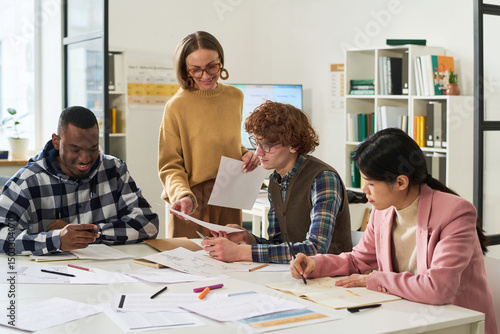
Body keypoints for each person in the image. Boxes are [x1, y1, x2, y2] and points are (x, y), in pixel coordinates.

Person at [290, 128, 497, 334]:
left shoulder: (455, 213)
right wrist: (315, 264)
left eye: (370, 183)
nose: (364, 190)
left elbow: (438, 289)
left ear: (401, 182)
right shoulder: (383, 211)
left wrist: (375, 279)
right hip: (407, 316)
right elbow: (358, 261)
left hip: (456, 323)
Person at [201, 101, 352, 264]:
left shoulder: (323, 179)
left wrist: (241, 251)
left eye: (267, 145)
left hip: (332, 277)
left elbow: (315, 249)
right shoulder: (275, 180)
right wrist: (248, 238)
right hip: (297, 275)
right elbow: (279, 244)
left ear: (295, 145)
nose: (258, 152)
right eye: (257, 143)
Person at [0, 106, 159, 255]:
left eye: (93, 148)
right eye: (75, 149)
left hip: (109, 274)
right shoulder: (27, 181)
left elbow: (148, 224)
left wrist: (88, 234)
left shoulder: (115, 169)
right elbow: (2, 235)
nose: (85, 158)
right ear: (56, 141)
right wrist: (57, 240)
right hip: (50, 280)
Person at [158, 31, 259, 238]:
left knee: (231, 265)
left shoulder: (234, 97)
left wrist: (245, 153)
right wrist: (182, 195)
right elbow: (170, 165)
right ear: (185, 70)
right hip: (192, 202)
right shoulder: (176, 106)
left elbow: (223, 141)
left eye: (212, 66)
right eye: (196, 70)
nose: (206, 76)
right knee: (189, 265)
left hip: (229, 196)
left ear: (221, 61)